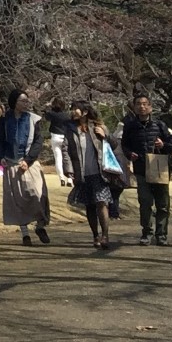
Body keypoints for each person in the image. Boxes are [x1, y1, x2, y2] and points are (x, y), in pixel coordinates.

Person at [0, 88, 49, 246]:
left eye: (27, 101)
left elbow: (38, 142)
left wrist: (28, 160)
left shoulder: (33, 119)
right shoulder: (4, 119)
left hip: (29, 164)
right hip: (11, 164)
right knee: (17, 200)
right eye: (22, 101)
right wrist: (1, 157)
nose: (26, 104)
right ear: (14, 102)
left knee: (38, 194)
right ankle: (25, 234)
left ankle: (40, 226)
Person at [63, 104, 121, 250]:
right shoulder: (70, 129)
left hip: (99, 172)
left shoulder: (98, 126)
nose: (73, 111)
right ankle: (95, 235)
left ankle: (105, 235)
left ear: (85, 112)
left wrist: (105, 135)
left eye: (76, 108)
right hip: (82, 172)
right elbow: (65, 149)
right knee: (89, 205)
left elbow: (114, 144)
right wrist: (68, 169)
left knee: (102, 202)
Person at [121, 93, 172, 245]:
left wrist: (163, 145)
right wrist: (130, 154)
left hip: (159, 168)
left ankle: (161, 234)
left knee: (163, 204)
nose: (142, 106)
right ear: (134, 107)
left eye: (145, 104)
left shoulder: (160, 125)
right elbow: (124, 145)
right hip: (141, 169)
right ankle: (147, 232)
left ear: (150, 107)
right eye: (138, 104)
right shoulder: (130, 126)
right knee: (145, 202)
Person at [46, 98, 76, 186]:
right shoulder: (66, 115)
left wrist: (48, 108)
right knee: (68, 158)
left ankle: (61, 178)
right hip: (65, 137)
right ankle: (70, 179)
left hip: (55, 137)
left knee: (58, 158)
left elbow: (46, 117)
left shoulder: (52, 114)